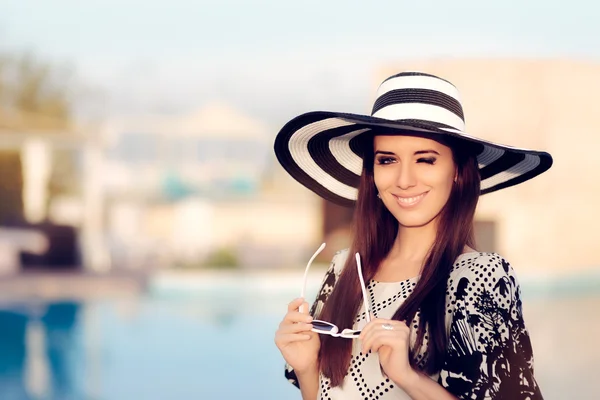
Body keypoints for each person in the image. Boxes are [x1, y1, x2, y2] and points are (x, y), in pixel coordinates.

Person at [273, 71, 552, 399]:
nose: (404, 180)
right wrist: (307, 368)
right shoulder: (344, 269)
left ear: (458, 172)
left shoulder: (479, 277)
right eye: (387, 159)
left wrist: (408, 376)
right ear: (372, 173)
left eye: (425, 159)